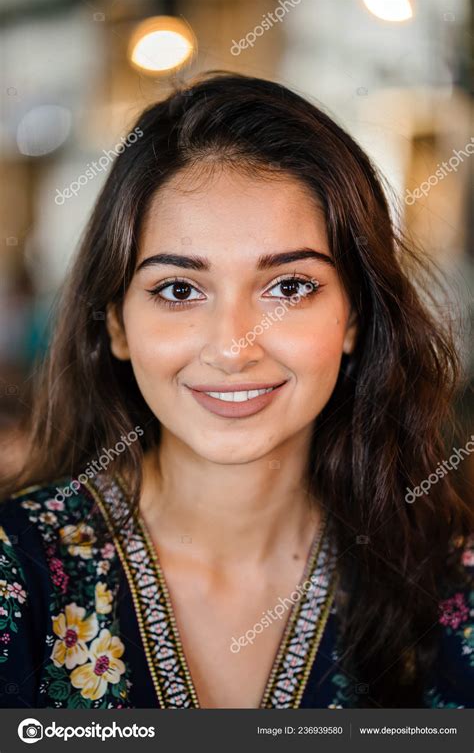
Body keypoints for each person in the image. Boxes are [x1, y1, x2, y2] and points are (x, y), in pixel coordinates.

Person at [0, 72, 472, 710]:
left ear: (355, 317)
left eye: (290, 287)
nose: (232, 348)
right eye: (178, 290)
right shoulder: (16, 572)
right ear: (115, 323)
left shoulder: (449, 586)